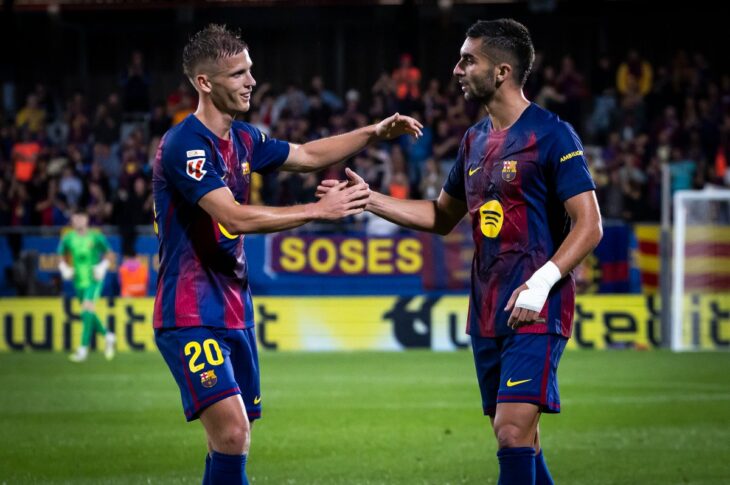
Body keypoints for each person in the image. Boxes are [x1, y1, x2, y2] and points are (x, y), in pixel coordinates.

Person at [319, 19, 602, 484]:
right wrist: (368, 199)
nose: (457, 70)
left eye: (468, 60)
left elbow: (590, 225)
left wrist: (541, 284)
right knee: (520, 438)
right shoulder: (474, 140)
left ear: (502, 71)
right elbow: (440, 216)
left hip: (537, 306)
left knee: (511, 431)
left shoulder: (552, 134)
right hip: (487, 307)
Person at [152, 24, 422, 485]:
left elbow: (309, 154)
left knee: (229, 439)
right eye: (238, 74)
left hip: (235, 309)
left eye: (250, 70)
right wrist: (317, 211)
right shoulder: (184, 145)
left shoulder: (244, 139)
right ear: (204, 82)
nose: (251, 81)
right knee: (233, 432)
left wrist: (374, 132)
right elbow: (232, 217)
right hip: (190, 310)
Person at [58, 209, 115, 362]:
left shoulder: (96, 237)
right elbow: (60, 255)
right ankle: (107, 335)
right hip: (78, 281)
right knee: (87, 313)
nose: (78, 221)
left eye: (81, 218)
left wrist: (102, 266)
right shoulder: (68, 238)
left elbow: (110, 254)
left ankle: (83, 349)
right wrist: (64, 268)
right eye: (75, 219)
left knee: (87, 308)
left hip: (94, 279)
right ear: (72, 221)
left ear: (87, 220)